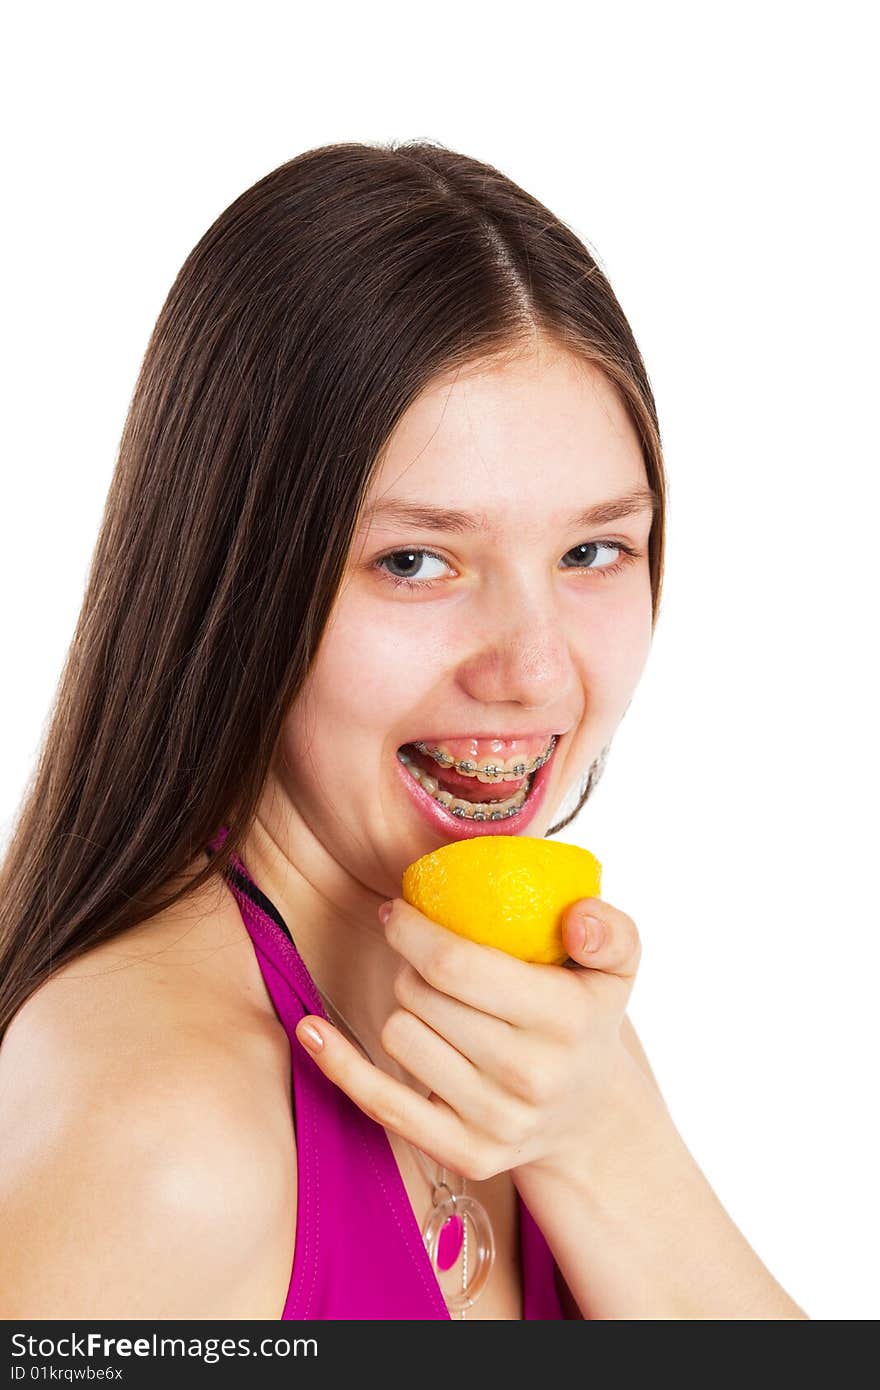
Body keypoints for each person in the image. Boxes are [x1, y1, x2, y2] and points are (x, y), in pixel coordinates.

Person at [0, 140, 807, 1320]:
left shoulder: (540, 1042)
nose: (533, 670)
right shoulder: (166, 1134)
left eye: (592, 551)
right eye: (416, 561)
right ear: (237, 583)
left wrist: (607, 1142)